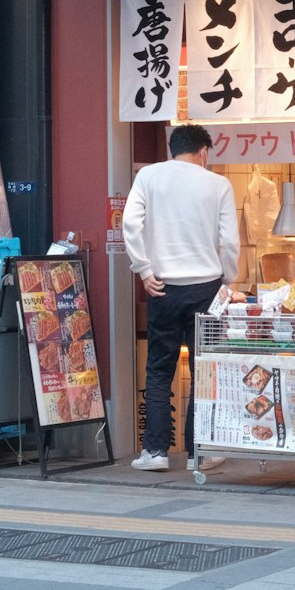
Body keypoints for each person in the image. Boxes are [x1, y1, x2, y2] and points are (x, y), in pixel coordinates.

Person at [123, 123, 240, 472]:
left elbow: (130, 224)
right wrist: (228, 279)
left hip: (163, 285)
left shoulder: (149, 176)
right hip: (206, 286)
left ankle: (156, 452)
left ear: (172, 148)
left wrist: (143, 270)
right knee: (203, 368)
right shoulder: (218, 184)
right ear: (203, 152)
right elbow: (230, 240)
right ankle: (197, 454)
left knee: (160, 368)